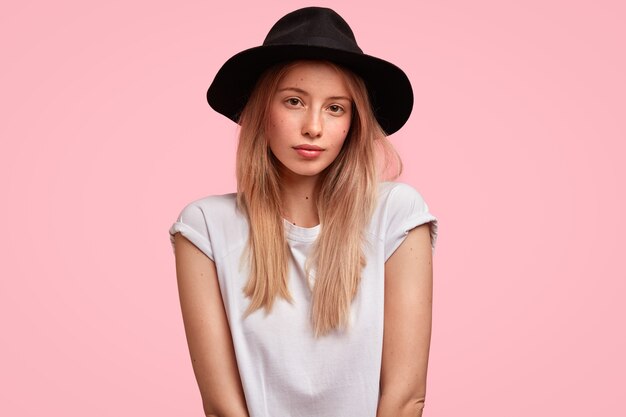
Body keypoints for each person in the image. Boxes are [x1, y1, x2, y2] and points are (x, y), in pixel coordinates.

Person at [169, 7, 439, 417]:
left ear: (354, 122)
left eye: (335, 108)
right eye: (294, 101)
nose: (313, 126)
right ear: (262, 111)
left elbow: (404, 398)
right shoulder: (205, 227)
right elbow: (222, 406)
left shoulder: (395, 214)